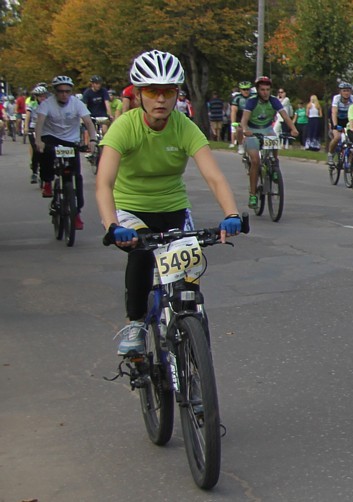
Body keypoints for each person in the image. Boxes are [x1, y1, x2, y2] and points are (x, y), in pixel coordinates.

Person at [95, 49, 242, 356]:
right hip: (131, 209)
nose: (160, 99)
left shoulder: (184, 126)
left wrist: (231, 214)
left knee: (188, 274)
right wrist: (112, 225)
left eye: (168, 92)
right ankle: (135, 322)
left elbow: (214, 177)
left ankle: (191, 333)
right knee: (140, 255)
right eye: (152, 91)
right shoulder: (124, 126)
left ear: (177, 95)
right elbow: (104, 183)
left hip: (173, 208)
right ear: (138, 94)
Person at [35, 75, 98, 230]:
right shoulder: (47, 104)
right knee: (46, 153)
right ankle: (48, 181)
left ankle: (76, 213)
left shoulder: (77, 104)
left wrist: (92, 140)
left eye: (67, 91)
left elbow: (88, 122)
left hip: (71, 141)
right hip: (51, 137)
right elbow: (40, 123)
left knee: (76, 176)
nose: (64, 94)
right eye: (60, 91)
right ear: (55, 92)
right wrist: (38, 141)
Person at [239, 76, 299, 208]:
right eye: (262, 90)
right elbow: (244, 119)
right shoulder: (252, 101)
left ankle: (274, 164)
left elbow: (285, 116)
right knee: (255, 161)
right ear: (258, 90)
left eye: (267, 89)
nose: (265, 92)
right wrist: (244, 129)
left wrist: (293, 129)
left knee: (274, 138)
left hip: (267, 129)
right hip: (253, 130)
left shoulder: (274, 101)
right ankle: (253, 195)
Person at [327, 82, 353, 163]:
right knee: (337, 137)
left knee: (352, 140)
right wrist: (336, 125)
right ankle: (330, 154)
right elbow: (334, 112)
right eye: (344, 91)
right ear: (340, 92)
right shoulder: (336, 98)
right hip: (337, 119)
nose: (346, 93)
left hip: (347, 119)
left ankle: (351, 162)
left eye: (348, 91)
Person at [25, 85, 48, 184]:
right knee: (36, 150)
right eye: (40, 96)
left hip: (46, 128)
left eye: (43, 96)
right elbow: (28, 116)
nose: (42, 98)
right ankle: (34, 172)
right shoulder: (32, 105)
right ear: (36, 97)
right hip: (33, 128)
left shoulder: (49, 104)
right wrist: (26, 127)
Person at [230, 81, 252, 154]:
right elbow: (233, 111)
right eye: (244, 89)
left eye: (247, 89)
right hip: (240, 115)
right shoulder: (237, 98)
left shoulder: (254, 97)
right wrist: (233, 122)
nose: (246, 91)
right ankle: (240, 145)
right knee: (239, 130)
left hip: (251, 116)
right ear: (240, 90)